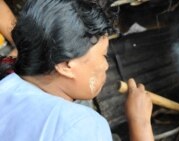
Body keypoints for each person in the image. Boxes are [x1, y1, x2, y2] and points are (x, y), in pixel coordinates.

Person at [0, 0, 154, 141]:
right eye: (103, 55)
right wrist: (141, 123)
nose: (106, 66)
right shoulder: (80, 126)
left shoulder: (5, 76)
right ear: (66, 65)